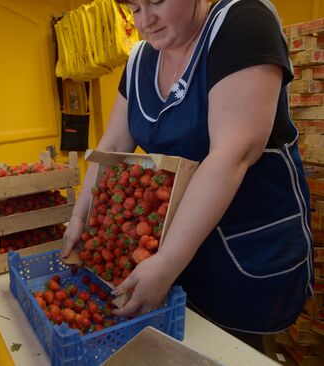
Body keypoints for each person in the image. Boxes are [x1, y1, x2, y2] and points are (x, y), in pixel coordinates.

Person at [62, 0, 313, 352]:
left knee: (234, 353)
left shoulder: (242, 23)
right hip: (171, 255)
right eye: (133, 8)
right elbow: (113, 146)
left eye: (157, 1)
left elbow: (232, 153)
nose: (145, 21)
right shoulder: (139, 60)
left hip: (242, 253)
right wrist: (79, 216)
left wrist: (166, 262)